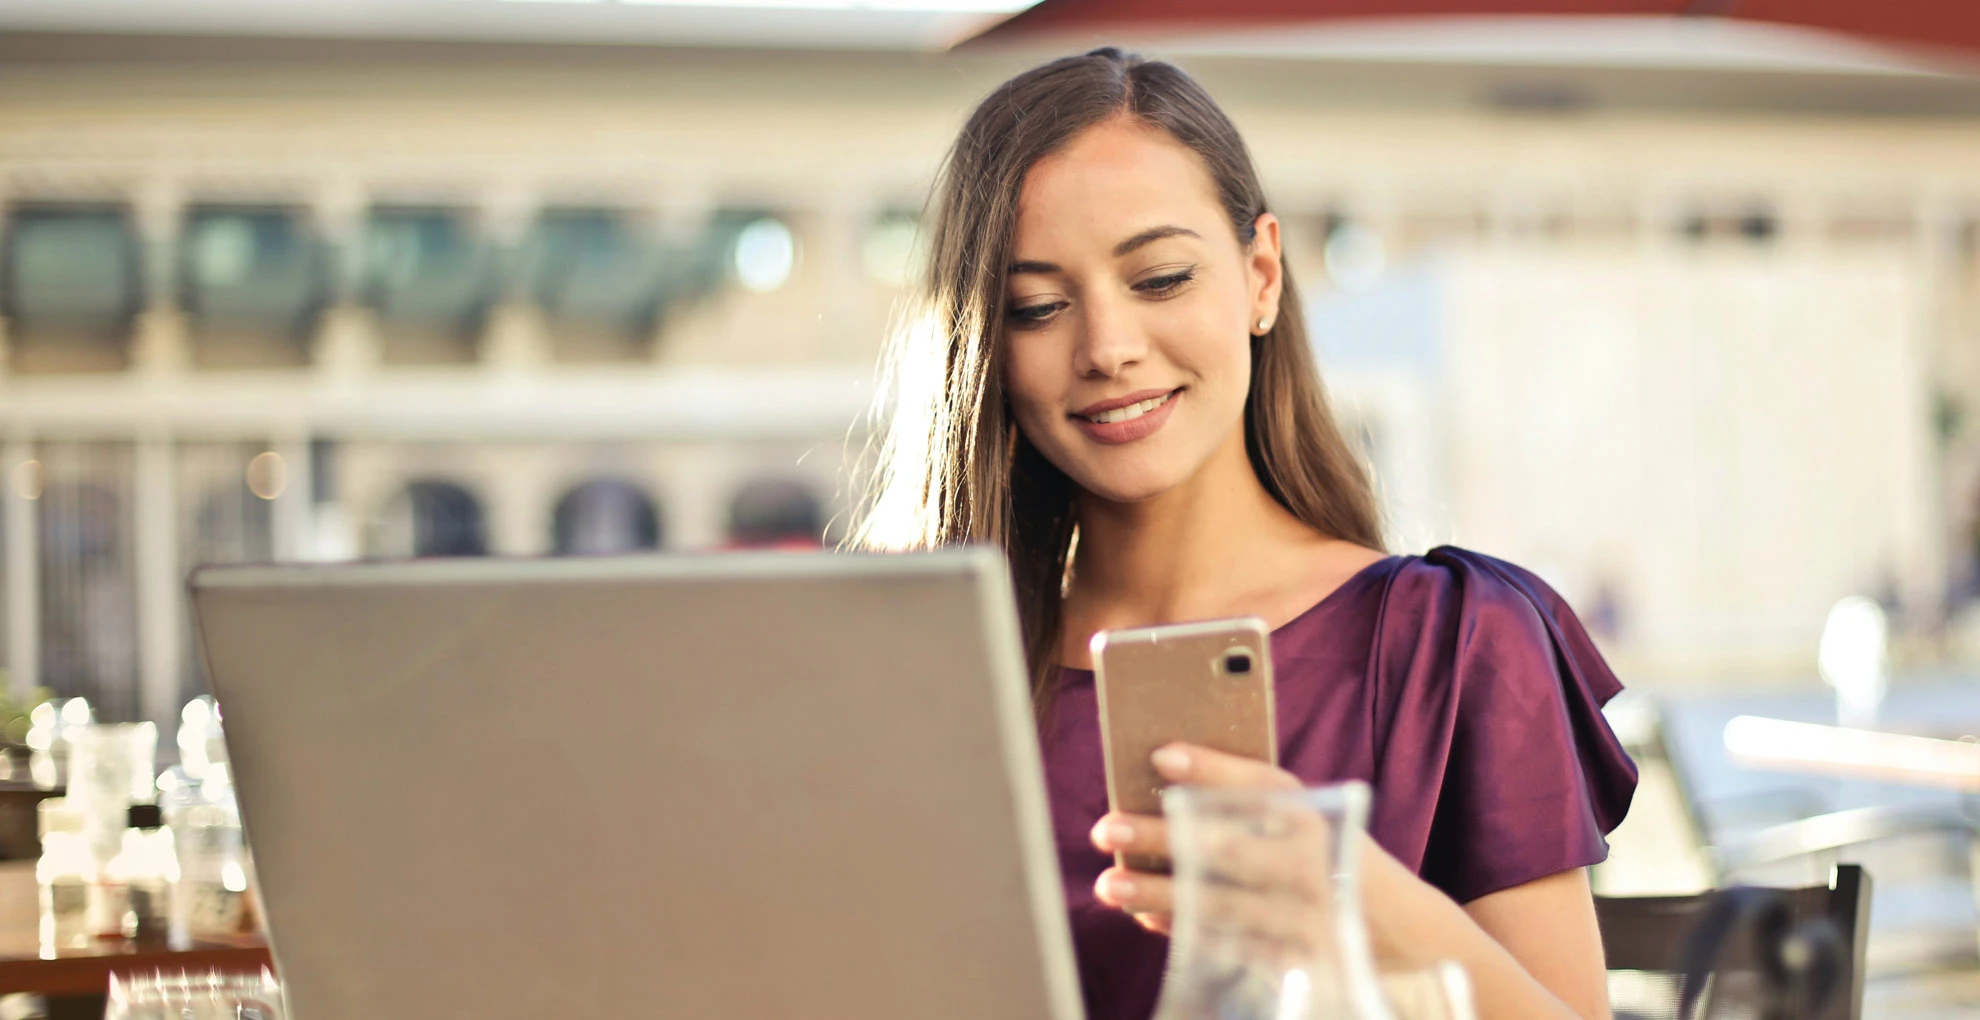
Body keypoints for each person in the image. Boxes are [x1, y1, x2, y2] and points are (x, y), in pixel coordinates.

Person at [850, 48, 1636, 1020]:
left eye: (1161, 278)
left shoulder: (1454, 640)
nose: (1107, 349)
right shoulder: (928, 677)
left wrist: (1351, 900)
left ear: (1261, 275)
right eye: (1037, 307)